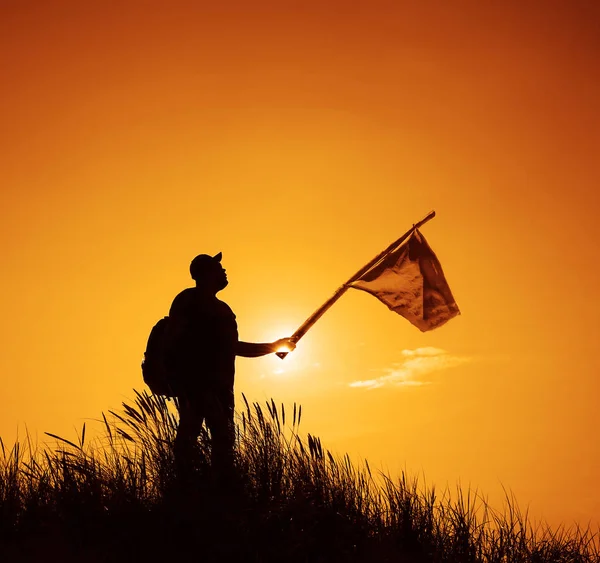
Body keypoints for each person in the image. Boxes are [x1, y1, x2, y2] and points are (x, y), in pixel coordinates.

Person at [165, 251, 294, 481]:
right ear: (205, 274)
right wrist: (272, 347)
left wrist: (273, 348)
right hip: (202, 385)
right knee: (215, 440)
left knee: (201, 438)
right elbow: (231, 347)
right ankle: (204, 489)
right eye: (218, 268)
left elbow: (228, 347)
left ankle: (193, 487)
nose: (224, 271)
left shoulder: (203, 304)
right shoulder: (200, 305)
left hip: (212, 387)